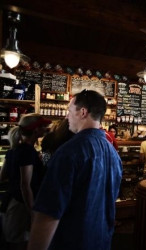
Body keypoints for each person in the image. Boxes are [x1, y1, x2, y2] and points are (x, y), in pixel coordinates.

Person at [28, 90, 122, 250]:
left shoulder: (69, 152)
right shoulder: (113, 154)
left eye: (70, 111)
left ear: (83, 112)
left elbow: (48, 214)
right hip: (101, 241)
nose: (66, 116)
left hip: (71, 242)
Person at [0, 113, 51, 250]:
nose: (46, 129)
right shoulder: (27, 152)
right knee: (20, 245)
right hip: (20, 207)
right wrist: (32, 212)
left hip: (10, 202)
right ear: (35, 130)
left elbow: (2, 176)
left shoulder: (14, 149)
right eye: (43, 126)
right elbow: (25, 185)